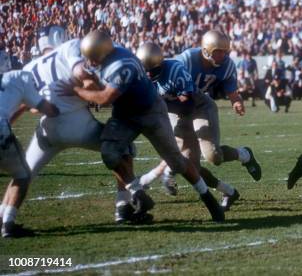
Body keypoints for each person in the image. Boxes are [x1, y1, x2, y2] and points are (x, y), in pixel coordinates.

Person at [58, 30, 224, 222]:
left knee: (177, 162)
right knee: (110, 153)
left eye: (94, 58)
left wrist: (76, 90)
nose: (91, 62)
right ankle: (137, 194)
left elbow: (104, 99)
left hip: (151, 111)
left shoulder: (122, 65)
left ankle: (208, 199)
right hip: (125, 114)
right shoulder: (108, 55)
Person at [21, 26, 138, 224]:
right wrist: (96, 89)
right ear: (59, 36)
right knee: (124, 149)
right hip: (78, 124)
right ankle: (123, 206)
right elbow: (85, 78)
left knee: (24, 172)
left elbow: (29, 107)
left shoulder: (29, 67)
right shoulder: (69, 47)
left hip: (47, 128)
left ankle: (6, 217)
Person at [136, 42, 240, 211]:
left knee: (212, 155)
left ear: (160, 64)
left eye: (151, 69)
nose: (147, 74)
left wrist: (158, 104)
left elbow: (188, 106)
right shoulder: (140, 76)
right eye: (144, 69)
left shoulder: (175, 70)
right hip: (176, 111)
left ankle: (243, 155)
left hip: (198, 107)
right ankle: (229, 191)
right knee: (191, 166)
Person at [173, 30, 262, 179]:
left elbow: (233, 94)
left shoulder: (227, 65)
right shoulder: (187, 59)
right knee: (184, 156)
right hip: (177, 106)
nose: (222, 56)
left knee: (213, 156)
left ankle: (244, 155)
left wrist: (237, 102)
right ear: (206, 50)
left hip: (201, 105)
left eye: (224, 51)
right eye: (218, 51)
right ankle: (221, 191)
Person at [0, 59, 59, 237]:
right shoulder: (19, 77)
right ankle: (8, 224)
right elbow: (48, 109)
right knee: (22, 175)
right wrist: (58, 109)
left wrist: (24, 107)